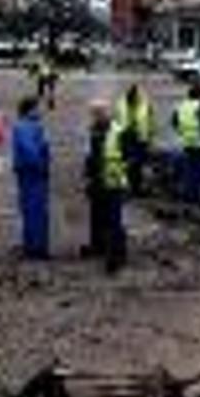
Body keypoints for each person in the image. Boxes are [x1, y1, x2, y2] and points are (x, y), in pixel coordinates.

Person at [82, 100, 129, 273]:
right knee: (97, 217)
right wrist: (87, 176)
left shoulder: (118, 132)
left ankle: (117, 255)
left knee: (114, 220)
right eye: (94, 113)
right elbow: (90, 157)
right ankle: (98, 247)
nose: (96, 116)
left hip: (113, 181)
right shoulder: (93, 130)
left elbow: (127, 157)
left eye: (99, 112)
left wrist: (122, 176)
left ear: (106, 113)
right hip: (98, 181)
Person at [11, 97, 51, 259]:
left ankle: (33, 246)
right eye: (37, 108)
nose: (40, 111)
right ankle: (36, 248)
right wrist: (42, 166)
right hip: (32, 174)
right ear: (30, 110)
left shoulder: (30, 126)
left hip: (30, 173)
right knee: (35, 211)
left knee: (32, 210)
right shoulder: (25, 127)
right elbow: (31, 151)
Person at [173, 84, 200, 204]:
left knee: (190, 170)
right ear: (199, 95)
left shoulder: (181, 106)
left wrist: (183, 132)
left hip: (187, 142)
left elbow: (175, 121)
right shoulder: (199, 107)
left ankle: (190, 195)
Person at [115, 84, 155, 195]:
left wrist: (150, 136)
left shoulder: (145, 104)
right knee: (129, 163)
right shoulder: (121, 104)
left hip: (140, 138)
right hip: (127, 137)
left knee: (138, 164)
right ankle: (130, 186)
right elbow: (117, 120)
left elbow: (151, 121)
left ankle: (135, 187)